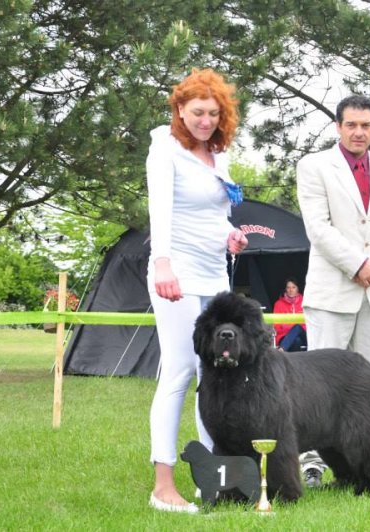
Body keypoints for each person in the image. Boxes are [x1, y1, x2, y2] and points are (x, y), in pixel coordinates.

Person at [146, 68, 248, 513]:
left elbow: (212, 213)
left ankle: (216, 479)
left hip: (214, 274)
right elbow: (161, 211)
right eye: (197, 112)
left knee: (215, 375)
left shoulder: (216, 154)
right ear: (180, 111)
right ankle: (162, 486)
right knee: (181, 370)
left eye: (213, 113)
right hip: (177, 275)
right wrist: (163, 264)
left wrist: (230, 235)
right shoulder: (164, 149)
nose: (205, 120)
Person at [296, 94, 370, 486]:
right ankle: (313, 464)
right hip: (331, 292)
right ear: (337, 127)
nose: (359, 132)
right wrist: (357, 263)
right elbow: (318, 226)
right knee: (317, 385)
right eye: (351, 125)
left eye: (366, 125)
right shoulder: (313, 167)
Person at [272, 278, 308, 351]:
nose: (291, 290)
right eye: (288, 287)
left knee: (297, 327)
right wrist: (292, 327)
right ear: (285, 289)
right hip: (284, 336)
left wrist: (288, 325)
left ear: (298, 289)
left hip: (304, 335)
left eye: (293, 287)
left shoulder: (305, 302)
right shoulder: (278, 304)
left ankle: (282, 350)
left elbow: (307, 324)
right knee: (297, 340)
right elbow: (277, 326)